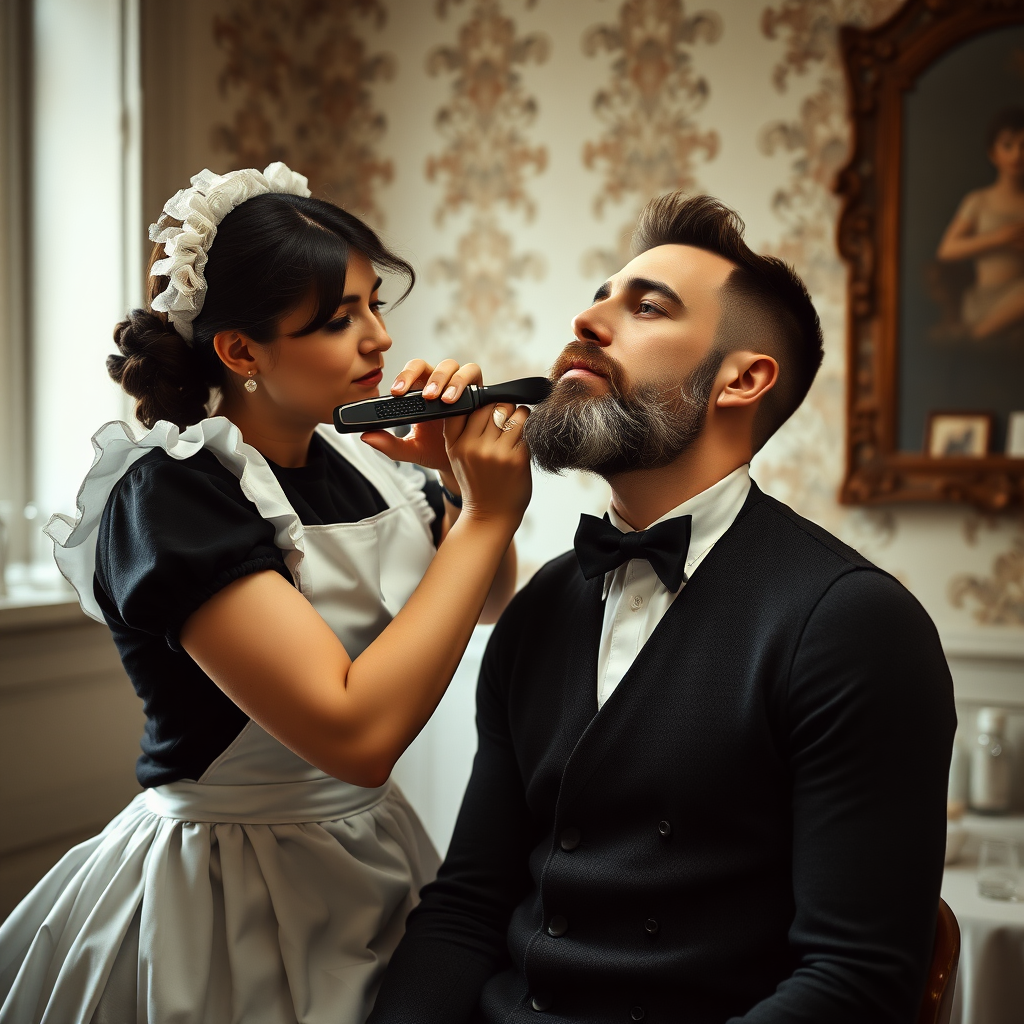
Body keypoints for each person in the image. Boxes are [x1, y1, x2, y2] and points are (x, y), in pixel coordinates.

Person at [369, 193, 957, 1024]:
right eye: (599, 296)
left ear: (742, 378)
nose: (587, 318)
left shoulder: (855, 628)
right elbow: (467, 908)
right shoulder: (541, 606)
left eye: (645, 306)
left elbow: (851, 981)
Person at [0, 163, 533, 1024]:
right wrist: (485, 521)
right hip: (225, 886)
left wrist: (466, 492)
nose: (378, 341)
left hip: (374, 847)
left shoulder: (366, 457)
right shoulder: (173, 492)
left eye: (373, 305)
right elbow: (353, 734)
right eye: (336, 319)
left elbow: (481, 602)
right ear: (241, 351)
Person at [937, 106, 1024, 340]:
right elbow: (947, 250)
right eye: (1008, 146)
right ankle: (977, 332)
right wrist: (999, 238)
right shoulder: (979, 201)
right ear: (993, 153)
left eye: (1023, 146)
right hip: (987, 299)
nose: (1017, 154)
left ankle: (978, 334)